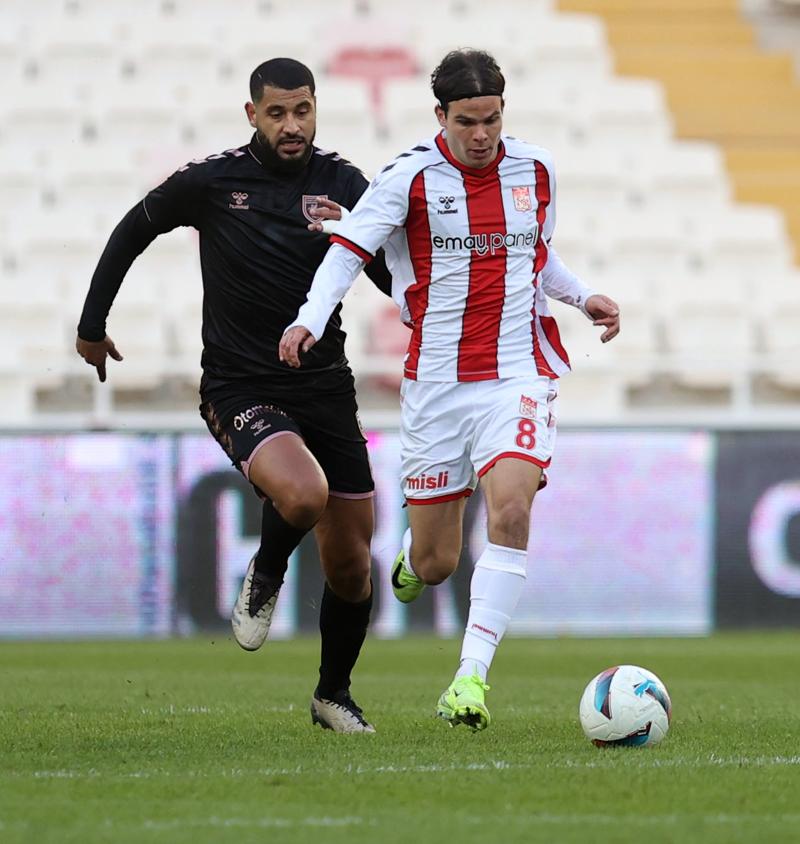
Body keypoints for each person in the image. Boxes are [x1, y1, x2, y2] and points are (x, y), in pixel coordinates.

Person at [280, 49, 620, 731]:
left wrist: (582, 296)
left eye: (492, 119)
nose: (481, 134)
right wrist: (309, 318)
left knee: (512, 511)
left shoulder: (537, 169)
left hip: (517, 374)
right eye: (467, 121)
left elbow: (536, 253)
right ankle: (414, 558)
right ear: (440, 115)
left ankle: (469, 680)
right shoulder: (407, 178)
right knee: (437, 562)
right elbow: (348, 251)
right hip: (436, 387)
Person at [76, 58, 393, 733]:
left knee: (351, 567)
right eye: (277, 113)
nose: (292, 125)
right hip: (239, 384)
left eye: (302, 110)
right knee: (302, 495)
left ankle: (332, 695)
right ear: (253, 114)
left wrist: (361, 242)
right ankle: (267, 570)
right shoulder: (214, 181)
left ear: (316, 108)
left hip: (326, 387)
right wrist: (92, 325)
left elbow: (394, 279)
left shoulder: (344, 184)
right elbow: (134, 228)